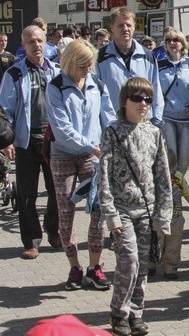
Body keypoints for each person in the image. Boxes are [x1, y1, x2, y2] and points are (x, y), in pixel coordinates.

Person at [98, 77, 173, 336]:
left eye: (148, 99)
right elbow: (104, 175)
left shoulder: (154, 132)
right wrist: (110, 214)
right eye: (137, 99)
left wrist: (163, 214)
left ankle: (136, 313)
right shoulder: (113, 132)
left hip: (147, 210)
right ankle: (118, 311)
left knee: (143, 263)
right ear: (124, 101)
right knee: (128, 260)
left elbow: (163, 175)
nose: (143, 104)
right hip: (122, 209)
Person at [45, 39, 116, 290]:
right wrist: (92, 146)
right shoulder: (55, 87)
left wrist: (113, 141)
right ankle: (74, 267)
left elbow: (108, 117)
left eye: (90, 64)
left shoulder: (97, 84)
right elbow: (62, 130)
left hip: (92, 155)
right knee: (66, 211)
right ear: (70, 62)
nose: (88, 69)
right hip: (63, 154)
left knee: (98, 211)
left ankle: (95, 267)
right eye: (83, 65)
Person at [0, 25, 61, 260]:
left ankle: (53, 229)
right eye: (30, 42)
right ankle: (32, 240)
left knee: (57, 191)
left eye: (39, 40)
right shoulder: (14, 74)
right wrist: (7, 141)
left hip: (53, 141)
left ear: (45, 42)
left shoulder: (56, 71)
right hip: (26, 142)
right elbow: (5, 109)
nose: (36, 45)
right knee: (27, 195)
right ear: (23, 46)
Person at [94, 8, 164, 128]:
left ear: (134, 27)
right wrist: (107, 125)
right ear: (112, 27)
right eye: (120, 25)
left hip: (143, 123)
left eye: (128, 25)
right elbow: (96, 95)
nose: (125, 29)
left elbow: (156, 89)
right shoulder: (99, 57)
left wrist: (156, 119)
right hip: (112, 124)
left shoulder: (147, 56)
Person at [157, 29, 189, 176]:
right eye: (168, 40)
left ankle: (179, 183)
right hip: (167, 116)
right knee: (171, 155)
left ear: (182, 44)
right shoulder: (159, 64)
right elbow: (154, 89)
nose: (172, 43)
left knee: (184, 159)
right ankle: (170, 189)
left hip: (187, 117)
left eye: (175, 40)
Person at [159, 148, 189, 280]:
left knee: (174, 244)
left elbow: (186, 192)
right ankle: (150, 264)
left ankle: (170, 268)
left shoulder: (178, 177)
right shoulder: (153, 177)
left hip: (175, 217)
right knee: (155, 242)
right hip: (156, 218)